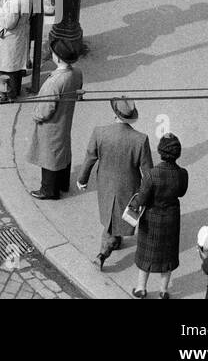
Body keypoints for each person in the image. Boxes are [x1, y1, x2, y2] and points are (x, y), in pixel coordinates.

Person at [76, 97, 154, 268]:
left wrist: (82, 180)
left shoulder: (100, 132)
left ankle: (111, 244)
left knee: (111, 214)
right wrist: (149, 193)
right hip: (129, 186)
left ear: (115, 114)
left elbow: (90, 158)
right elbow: (148, 172)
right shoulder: (140, 139)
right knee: (118, 216)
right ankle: (104, 251)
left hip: (105, 183)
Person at [133, 132, 188, 299]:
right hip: (171, 218)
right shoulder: (182, 173)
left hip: (151, 218)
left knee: (146, 255)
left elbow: (142, 199)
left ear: (160, 151)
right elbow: (181, 193)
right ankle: (163, 291)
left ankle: (141, 288)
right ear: (177, 153)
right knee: (168, 255)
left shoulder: (151, 174)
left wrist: (133, 204)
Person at [27, 37, 83, 200]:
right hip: (65, 120)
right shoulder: (76, 73)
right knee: (63, 151)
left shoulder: (55, 82)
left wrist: (35, 116)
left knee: (49, 155)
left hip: (51, 125)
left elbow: (45, 110)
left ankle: (49, 190)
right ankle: (63, 183)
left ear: (57, 57)